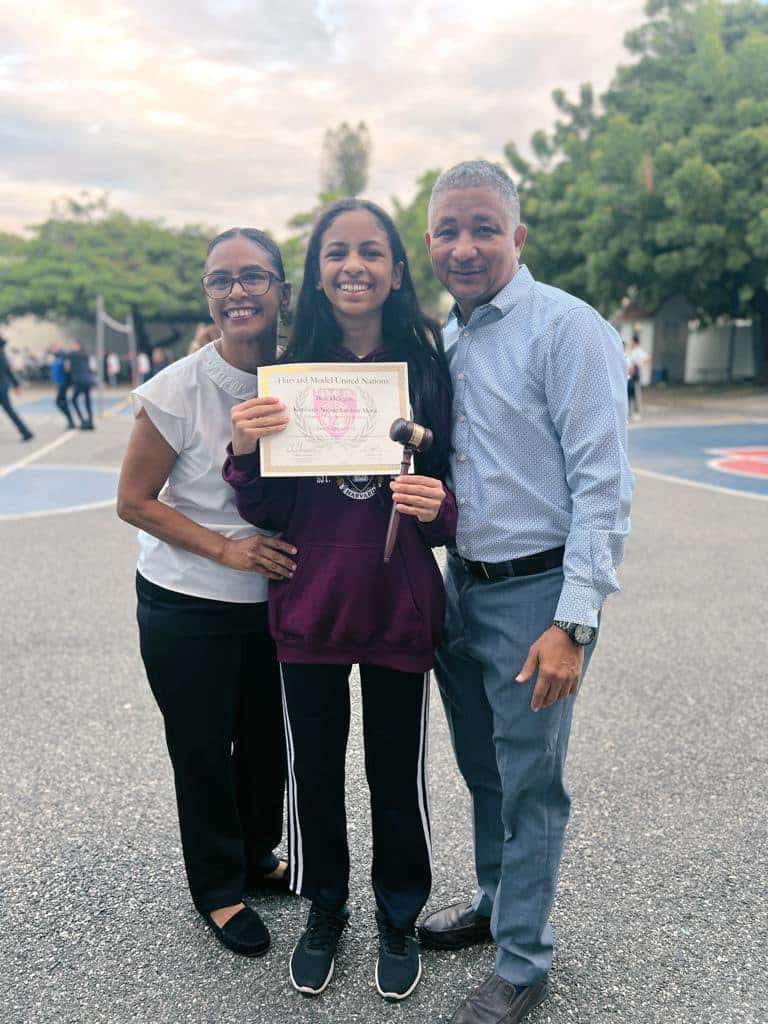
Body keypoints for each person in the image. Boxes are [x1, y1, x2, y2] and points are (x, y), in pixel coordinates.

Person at [222, 198, 456, 1002]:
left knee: (397, 778)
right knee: (313, 776)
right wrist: (244, 452)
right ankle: (327, 905)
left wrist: (439, 508)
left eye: (370, 252)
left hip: (398, 607)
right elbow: (268, 511)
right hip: (310, 610)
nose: (353, 266)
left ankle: (398, 913)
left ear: (396, 270)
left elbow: (455, 491)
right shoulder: (287, 375)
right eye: (334, 253)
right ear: (314, 275)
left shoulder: (426, 366)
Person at [417, 161, 633, 1024]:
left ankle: (524, 958)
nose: (464, 247)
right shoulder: (451, 337)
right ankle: (494, 902)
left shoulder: (567, 330)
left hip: (536, 597)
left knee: (532, 782)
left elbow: (605, 487)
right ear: (429, 240)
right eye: (447, 231)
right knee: (484, 770)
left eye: (483, 228)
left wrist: (573, 624)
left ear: (518, 235)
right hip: (460, 586)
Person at [117, 227, 297, 957]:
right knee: (202, 747)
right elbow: (134, 500)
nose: (236, 292)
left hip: (275, 601)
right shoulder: (176, 390)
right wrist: (227, 548)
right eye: (220, 281)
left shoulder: (303, 375)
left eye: (253, 276)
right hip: (188, 600)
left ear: (282, 289)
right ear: (208, 297)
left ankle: (259, 855)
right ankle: (219, 891)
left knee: (264, 745)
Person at [0, 335, 33, 442]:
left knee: (9, 410)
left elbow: (7, 370)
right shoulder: (2, 353)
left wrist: (16, 385)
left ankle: (26, 432)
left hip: (1, 385)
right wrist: (15, 385)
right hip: (3, 385)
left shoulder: (1, 354)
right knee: (9, 410)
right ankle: (25, 432)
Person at [67, 339, 95, 430]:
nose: (71, 346)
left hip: (80, 380)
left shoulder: (74, 354)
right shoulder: (85, 354)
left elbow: (63, 355)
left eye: (73, 345)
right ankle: (90, 421)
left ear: (78, 345)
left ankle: (83, 420)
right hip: (87, 380)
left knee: (74, 400)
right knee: (87, 401)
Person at [626, 332, 650, 419]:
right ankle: (629, 412)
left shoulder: (639, 351)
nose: (631, 343)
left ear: (635, 342)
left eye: (632, 342)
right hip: (629, 373)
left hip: (636, 373)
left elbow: (647, 359)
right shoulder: (631, 351)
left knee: (636, 393)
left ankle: (637, 413)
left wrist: (639, 364)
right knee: (629, 393)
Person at [50, 347, 75, 429]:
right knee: (63, 403)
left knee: (58, 402)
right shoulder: (56, 360)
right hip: (60, 384)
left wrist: (68, 383)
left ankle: (71, 421)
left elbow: (67, 371)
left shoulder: (62, 360)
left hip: (63, 384)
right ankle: (71, 421)